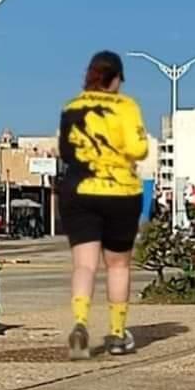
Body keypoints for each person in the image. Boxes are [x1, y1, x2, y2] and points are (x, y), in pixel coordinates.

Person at [58, 51, 149, 359]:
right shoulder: (126, 107)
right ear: (116, 79)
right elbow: (139, 148)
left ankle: (80, 323)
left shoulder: (72, 107)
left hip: (79, 191)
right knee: (118, 265)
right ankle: (116, 333)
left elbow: (65, 152)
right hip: (120, 193)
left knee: (84, 264)